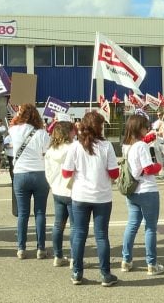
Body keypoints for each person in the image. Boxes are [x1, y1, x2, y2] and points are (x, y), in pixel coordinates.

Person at [62, 111, 119, 287]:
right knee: (101, 236)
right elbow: (114, 173)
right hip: (102, 196)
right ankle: (105, 274)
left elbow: (66, 172)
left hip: (80, 195)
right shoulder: (106, 146)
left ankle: (77, 273)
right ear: (99, 127)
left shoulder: (75, 146)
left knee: (79, 234)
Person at [121, 114, 164, 276]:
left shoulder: (128, 146)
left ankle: (126, 260)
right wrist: (159, 166)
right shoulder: (141, 146)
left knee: (132, 225)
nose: (147, 129)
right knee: (150, 228)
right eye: (146, 127)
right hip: (147, 190)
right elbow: (148, 169)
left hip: (133, 191)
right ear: (139, 128)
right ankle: (151, 263)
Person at [9, 104, 50, 260]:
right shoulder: (42, 133)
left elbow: (12, 123)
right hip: (40, 173)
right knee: (40, 212)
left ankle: (21, 248)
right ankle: (41, 248)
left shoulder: (13, 131)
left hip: (20, 174)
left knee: (23, 214)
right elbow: (47, 152)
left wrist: (17, 115)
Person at [45, 119, 76, 267]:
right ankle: (74, 258)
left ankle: (58, 255)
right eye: (72, 130)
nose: (74, 132)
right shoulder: (73, 148)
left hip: (57, 190)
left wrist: (53, 185)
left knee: (58, 225)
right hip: (71, 189)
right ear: (68, 133)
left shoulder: (51, 150)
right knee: (75, 227)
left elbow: (48, 172)